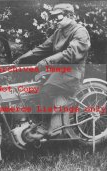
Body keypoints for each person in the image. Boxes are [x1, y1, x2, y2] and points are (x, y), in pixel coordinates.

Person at [13, 3, 91, 141]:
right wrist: (21, 59)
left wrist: (47, 62)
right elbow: (43, 48)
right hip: (59, 72)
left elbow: (70, 53)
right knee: (32, 87)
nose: (55, 20)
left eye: (58, 17)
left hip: (72, 74)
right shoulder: (59, 32)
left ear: (70, 16)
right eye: (53, 17)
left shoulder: (80, 32)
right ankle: (32, 122)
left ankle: (44, 127)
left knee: (46, 90)